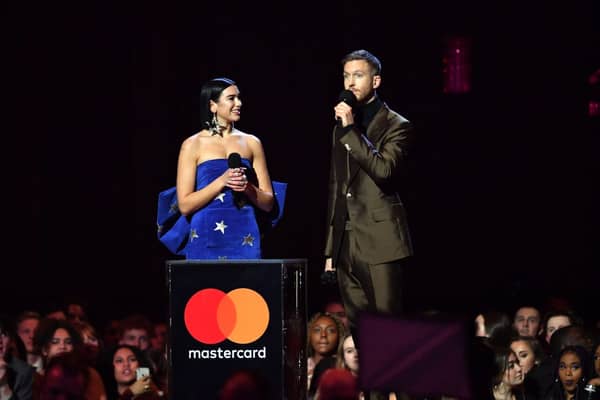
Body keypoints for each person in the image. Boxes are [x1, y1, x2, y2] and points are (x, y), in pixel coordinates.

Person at [323, 49, 414, 400]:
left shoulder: (397, 125)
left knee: (390, 331)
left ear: (375, 81)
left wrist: (350, 131)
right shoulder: (341, 129)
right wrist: (331, 250)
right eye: (346, 76)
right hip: (348, 244)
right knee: (363, 335)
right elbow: (335, 188)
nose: (350, 83)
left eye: (358, 76)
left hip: (382, 240)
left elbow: (384, 171)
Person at [157, 77, 285, 259]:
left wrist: (247, 187)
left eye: (239, 98)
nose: (238, 103)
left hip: (244, 232)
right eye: (231, 98)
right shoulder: (192, 144)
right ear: (213, 106)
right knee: (207, 288)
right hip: (205, 234)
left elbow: (268, 203)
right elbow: (184, 205)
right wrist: (222, 181)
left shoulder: (252, 142)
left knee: (245, 288)